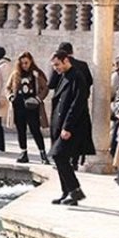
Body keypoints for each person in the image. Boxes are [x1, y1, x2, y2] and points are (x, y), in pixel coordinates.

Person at [49, 51, 93, 206]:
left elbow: (78, 103)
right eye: (54, 65)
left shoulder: (77, 76)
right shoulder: (63, 76)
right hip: (61, 124)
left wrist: (67, 126)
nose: (55, 69)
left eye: (57, 65)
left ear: (65, 60)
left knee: (58, 155)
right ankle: (67, 192)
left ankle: (74, 190)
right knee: (59, 157)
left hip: (72, 126)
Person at [5, 52, 49, 165]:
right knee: (21, 130)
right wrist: (10, 97)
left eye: (26, 63)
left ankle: (43, 154)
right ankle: (23, 153)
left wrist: (38, 99)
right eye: (22, 63)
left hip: (32, 106)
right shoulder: (15, 74)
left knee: (35, 130)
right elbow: (8, 87)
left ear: (31, 62)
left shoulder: (36, 73)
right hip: (19, 106)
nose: (24, 65)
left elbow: (45, 87)